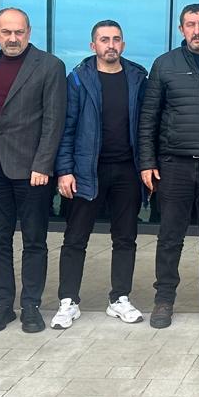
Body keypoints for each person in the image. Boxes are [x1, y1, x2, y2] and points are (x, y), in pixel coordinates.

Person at [139, 3, 199, 329]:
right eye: (191, 24)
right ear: (181, 29)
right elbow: (148, 118)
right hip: (173, 165)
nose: (197, 30)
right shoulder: (164, 64)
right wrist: (147, 161)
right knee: (170, 237)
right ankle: (164, 300)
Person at [53, 20, 148, 329]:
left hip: (127, 171)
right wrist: (65, 170)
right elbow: (66, 128)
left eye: (116, 39)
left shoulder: (137, 78)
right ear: (93, 45)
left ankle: (119, 298)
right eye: (104, 40)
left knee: (126, 238)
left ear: (123, 45)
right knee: (75, 238)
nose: (111, 45)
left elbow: (147, 126)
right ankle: (68, 301)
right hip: (86, 170)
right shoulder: (79, 78)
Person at [0, 7, 67, 334]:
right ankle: (2, 306)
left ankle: (31, 306)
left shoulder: (50, 66)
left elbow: (54, 120)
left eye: (19, 32)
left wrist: (43, 164)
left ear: (29, 32)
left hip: (33, 171)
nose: (13, 38)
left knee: (34, 241)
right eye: (6, 32)